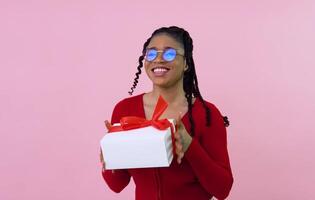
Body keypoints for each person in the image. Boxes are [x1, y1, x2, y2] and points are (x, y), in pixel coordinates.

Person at [100, 26, 234, 200]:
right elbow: (116, 185)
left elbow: (222, 189)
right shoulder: (125, 110)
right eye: (151, 54)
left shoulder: (207, 114)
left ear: (186, 63)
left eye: (169, 54)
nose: (159, 60)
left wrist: (188, 145)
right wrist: (111, 160)